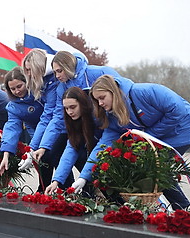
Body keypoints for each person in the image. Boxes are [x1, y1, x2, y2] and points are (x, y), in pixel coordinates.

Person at [74, 74, 190, 210]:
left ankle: (184, 209)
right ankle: (163, 209)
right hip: (158, 136)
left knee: (155, 168)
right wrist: (83, 177)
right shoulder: (113, 118)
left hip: (183, 129)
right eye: (96, 100)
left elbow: (177, 109)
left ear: (113, 92)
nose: (100, 103)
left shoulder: (143, 92)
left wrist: (148, 135)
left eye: (102, 98)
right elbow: (101, 148)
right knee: (146, 168)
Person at [20, 50, 120, 182]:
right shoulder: (61, 87)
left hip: (110, 125)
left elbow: (121, 93)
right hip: (83, 127)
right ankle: (72, 188)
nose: (57, 76)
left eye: (60, 71)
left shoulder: (98, 73)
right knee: (71, 155)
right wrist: (40, 146)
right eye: (55, 72)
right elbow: (56, 117)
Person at [19, 48, 72, 189]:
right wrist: (33, 147)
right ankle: (63, 189)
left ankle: (65, 190)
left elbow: (50, 115)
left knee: (55, 155)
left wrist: (35, 147)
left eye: (29, 70)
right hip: (60, 124)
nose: (28, 74)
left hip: (64, 124)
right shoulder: (46, 81)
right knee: (55, 156)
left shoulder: (53, 81)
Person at [0, 66, 55, 192]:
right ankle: (43, 188)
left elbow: (48, 117)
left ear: (27, 82)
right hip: (35, 131)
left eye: (19, 86)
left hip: (52, 126)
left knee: (56, 155)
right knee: (43, 159)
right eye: (13, 89)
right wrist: (6, 154)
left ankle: (66, 187)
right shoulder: (13, 106)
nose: (17, 91)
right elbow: (12, 128)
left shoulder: (40, 93)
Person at [44, 86, 102, 195]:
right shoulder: (74, 122)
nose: (70, 112)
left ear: (83, 104)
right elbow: (70, 151)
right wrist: (56, 181)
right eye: (66, 108)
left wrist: (84, 177)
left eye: (73, 107)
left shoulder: (98, 117)